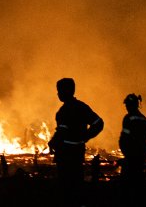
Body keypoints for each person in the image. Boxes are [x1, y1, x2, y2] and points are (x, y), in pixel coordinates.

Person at [48, 77, 103, 205]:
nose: (58, 94)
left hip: (65, 155)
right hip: (77, 153)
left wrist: (53, 142)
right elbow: (99, 123)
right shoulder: (82, 107)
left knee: (66, 186)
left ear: (66, 91)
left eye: (59, 91)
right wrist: (86, 136)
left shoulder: (63, 111)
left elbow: (62, 133)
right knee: (77, 183)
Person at [118, 93, 146, 187]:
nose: (126, 107)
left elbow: (124, 138)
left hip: (131, 156)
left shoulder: (128, 118)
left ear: (131, 105)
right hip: (141, 155)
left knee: (127, 183)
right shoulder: (144, 120)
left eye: (127, 105)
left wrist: (126, 154)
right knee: (138, 179)